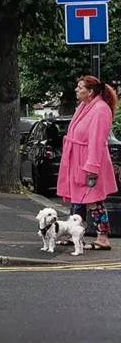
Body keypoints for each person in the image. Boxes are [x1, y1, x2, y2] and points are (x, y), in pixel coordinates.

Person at [57, 75, 118, 250]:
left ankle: (103, 238)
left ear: (90, 92)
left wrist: (92, 167)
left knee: (93, 200)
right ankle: (76, 236)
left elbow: (97, 141)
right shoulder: (84, 106)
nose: (76, 90)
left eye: (80, 87)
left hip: (90, 162)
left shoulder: (100, 109)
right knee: (77, 200)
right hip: (78, 160)